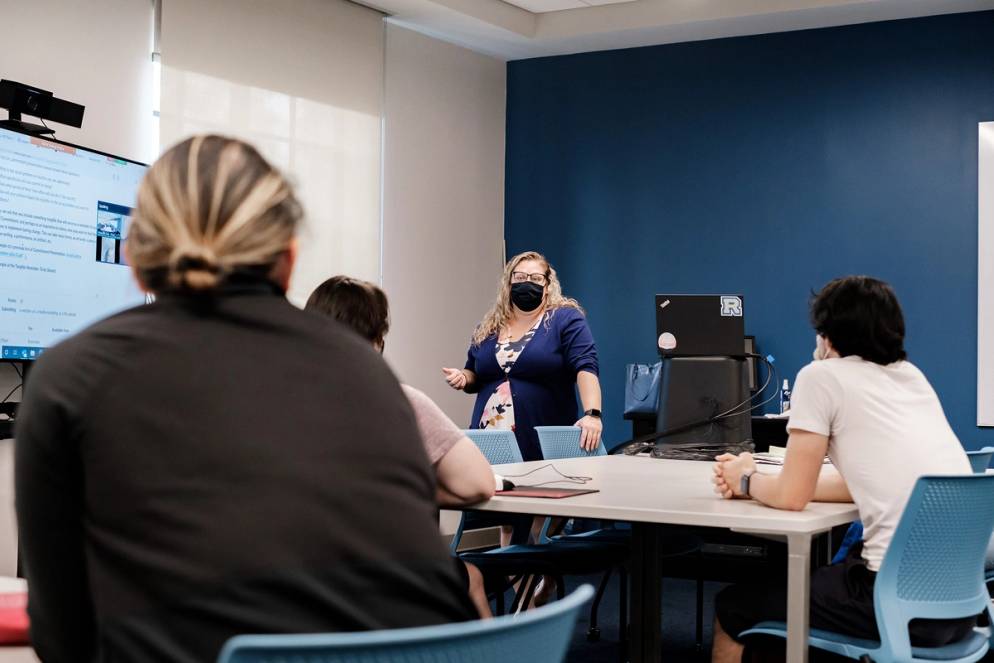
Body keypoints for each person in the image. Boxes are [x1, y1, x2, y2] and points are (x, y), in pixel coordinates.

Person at [15, 135, 476, 663]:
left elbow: (61, 635)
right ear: (288, 259)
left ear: (137, 259)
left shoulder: (70, 377)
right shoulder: (371, 375)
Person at [710, 275, 974, 663]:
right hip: (957, 605)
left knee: (733, 606)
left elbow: (791, 498)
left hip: (889, 603)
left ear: (828, 335)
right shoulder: (910, 376)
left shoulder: (821, 376)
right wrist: (780, 481)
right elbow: (857, 485)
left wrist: (746, 479)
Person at [304, 275, 497, 618]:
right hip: (377, 572)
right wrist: (410, 491)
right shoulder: (400, 400)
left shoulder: (276, 398)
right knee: (472, 579)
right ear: (377, 339)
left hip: (293, 570)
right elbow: (478, 484)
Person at [442, 250, 603, 461]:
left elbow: (586, 366)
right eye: (519, 277)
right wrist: (463, 377)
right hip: (489, 436)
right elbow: (473, 372)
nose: (527, 282)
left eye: (536, 278)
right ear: (509, 283)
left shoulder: (564, 319)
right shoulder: (489, 328)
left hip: (540, 437)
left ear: (547, 286)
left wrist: (593, 414)